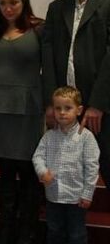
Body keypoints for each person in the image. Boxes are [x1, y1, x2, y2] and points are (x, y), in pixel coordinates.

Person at [42, 0, 110, 190]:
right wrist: (51, 103)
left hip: (101, 110)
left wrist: (97, 104)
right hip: (66, 112)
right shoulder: (57, 7)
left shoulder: (109, 2)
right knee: (68, 180)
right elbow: (48, 58)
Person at [0, 0, 44, 244]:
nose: (8, 8)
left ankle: (27, 231)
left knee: (29, 171)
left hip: (28, 109)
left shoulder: (39, 28)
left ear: (24, 2)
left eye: (14, 2)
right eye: (2, 3)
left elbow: (52, 68)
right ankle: (6, 229)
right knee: (5, 172)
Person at [33, 86, 100, 244]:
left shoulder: (86, 137)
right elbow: (38, 156)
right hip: (53, 196)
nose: (62, 112)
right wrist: (43, 172)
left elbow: (92, 168)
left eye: (68, 108)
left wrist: (87, 193)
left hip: (76, 199)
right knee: (55, 231)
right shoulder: (49, 136)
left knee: (76, 234)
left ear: (79, 110)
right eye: (58, 108)